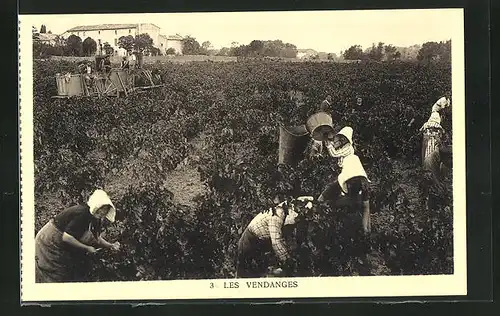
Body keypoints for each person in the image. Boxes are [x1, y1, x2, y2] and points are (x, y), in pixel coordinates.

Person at [35, 189, 120, 283]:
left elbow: (97, 238)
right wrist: (87, 248)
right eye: (101, 209)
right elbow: (67, 237)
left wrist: (111, 245)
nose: (103, 213)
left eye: (105, 211)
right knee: (53, 271)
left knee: (66, 269)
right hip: (50, 240)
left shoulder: (96, 218)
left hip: (61, 241)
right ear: (96, 206)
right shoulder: (82, 214)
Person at [236, 196, 314, 278]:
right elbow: (276, 241)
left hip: (263, 242)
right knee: (245, 273)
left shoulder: (287, 213)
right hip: (250, 240)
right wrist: (287, 260)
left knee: (264, 272)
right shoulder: (277, 214)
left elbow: (288, 237)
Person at [318, 126, 371, 234]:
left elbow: (366, 209)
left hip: (352, 219)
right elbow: (320, 200)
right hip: (339, 217)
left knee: (356, 211)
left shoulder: (362, 186)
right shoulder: (338, 184)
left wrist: (367, 229)